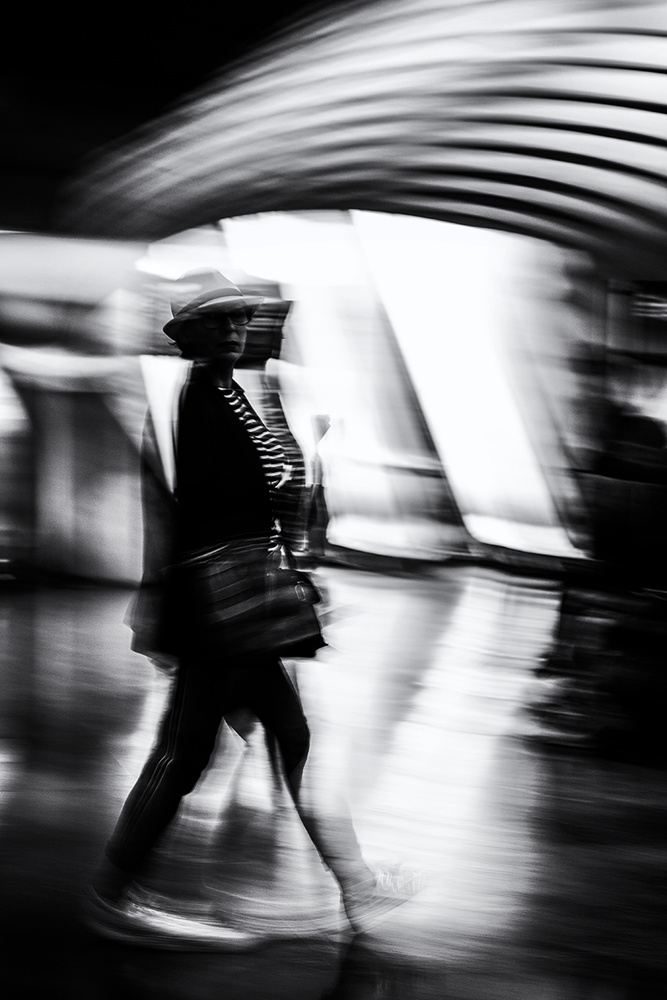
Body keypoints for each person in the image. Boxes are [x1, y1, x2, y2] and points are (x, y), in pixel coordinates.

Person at [87, 268, 417, 944]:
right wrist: (176, 611)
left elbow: (264, 492)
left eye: (242, 318)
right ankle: (114, 897)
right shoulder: (198, 398)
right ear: (196, 333)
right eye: (224, 320)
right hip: (222, 608)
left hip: (244, 602)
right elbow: (195, 513)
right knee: (182, 754)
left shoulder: (227, 393)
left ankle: (354, 887)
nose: (239, 328)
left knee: (281, 740)